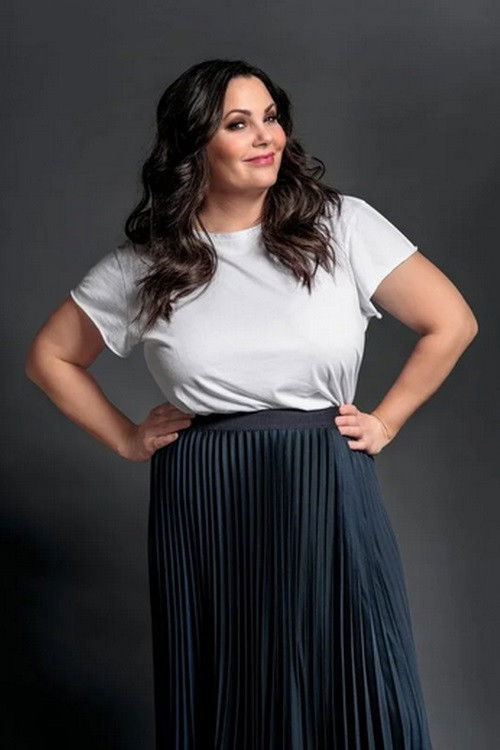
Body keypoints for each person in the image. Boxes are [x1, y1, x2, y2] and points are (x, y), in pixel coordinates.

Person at [25, 58, 477, 749]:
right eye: (238, 123)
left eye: (270, 117)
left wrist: (386, 420)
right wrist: (126, 438)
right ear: (193, 146)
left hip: (324, 476)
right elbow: (50, 357)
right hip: (205, 491)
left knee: (348, 670)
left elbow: (452, 321)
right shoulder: (150, 262)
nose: (266, 136)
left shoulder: (341, 225)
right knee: (230, 690)